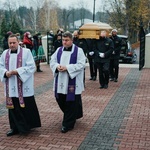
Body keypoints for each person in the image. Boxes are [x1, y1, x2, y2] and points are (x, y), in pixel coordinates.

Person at [0, 34, 41, 136]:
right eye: (10, 43)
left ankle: (26, 127)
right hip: (11, 86)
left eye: (14, 42)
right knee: (13, 108)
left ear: (18, 42)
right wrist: (5, 73)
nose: (12, 45)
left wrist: (18, 71)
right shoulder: (5, 53)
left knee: (24, 107)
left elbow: (32, 67)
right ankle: (14, 128)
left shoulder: (26, 52)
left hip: (23, 85)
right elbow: (0, 66)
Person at [50, 32, 86, 133]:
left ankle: (67, 124)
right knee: (60, 99)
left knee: (71, 102)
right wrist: (57, 66)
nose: (64, 42)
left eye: (66, 40)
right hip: (60, 80)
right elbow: (52, 61)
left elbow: (81, 64)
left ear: (72, 40)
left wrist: (68, 68)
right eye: (63, 40)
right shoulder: (58, 50)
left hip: (72, 81)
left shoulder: (79, 51)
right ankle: (73, 115)